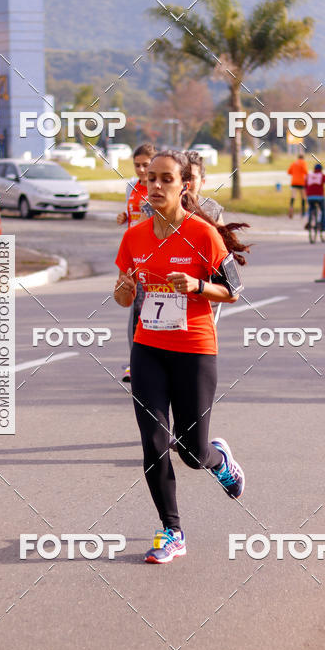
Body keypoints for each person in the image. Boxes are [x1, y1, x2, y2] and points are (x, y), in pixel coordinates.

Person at [114, 150, 250, 563]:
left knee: (191, 453)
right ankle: (171, 531)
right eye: (150, 178)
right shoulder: (134, 237)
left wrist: (196, 286)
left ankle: (218, 459)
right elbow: (123, 297)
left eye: (166, 179)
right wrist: (123, 289)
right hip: (148, 349)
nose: (155, 185)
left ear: (183, 186)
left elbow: (234, 290)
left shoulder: (202, 234)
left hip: (194, 350)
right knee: (154, 442)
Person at [116, 143, 155, 381]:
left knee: (145, 310)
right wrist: (124, 217)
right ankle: (135, 363)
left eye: (146, 165)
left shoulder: (158, 188)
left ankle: (148, 362)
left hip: (152, 255)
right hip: (132, 254)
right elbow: (132, 215)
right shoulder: (131, 186)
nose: (141, 170)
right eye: (137, 165)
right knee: (135, 310)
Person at [185, 150, 225, 224]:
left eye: (192, 178)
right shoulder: (167, 207)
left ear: (202, 182)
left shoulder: (212, 209)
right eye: (183, 176)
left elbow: (221, 231)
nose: (187, 182)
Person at [303, 163, 325, 232]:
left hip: (310, 197)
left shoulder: (309, 176)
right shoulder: (323, 176)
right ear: (321, 170)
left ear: (314, 169)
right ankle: (323, 226)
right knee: (323, 210)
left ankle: (309, 221)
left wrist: (307, 194)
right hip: (320, 197)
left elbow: (305, 186)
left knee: (310, 208)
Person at [287, 153, 308, 219]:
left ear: (298, 157)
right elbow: (305, 171)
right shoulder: (303, 163)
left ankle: (291, 207)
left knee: (293, 196)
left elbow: (289, 172)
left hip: (294, 182)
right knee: (303, 197)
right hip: (301, 182)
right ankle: (303, 212)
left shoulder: (294, 163)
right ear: (303, 158)